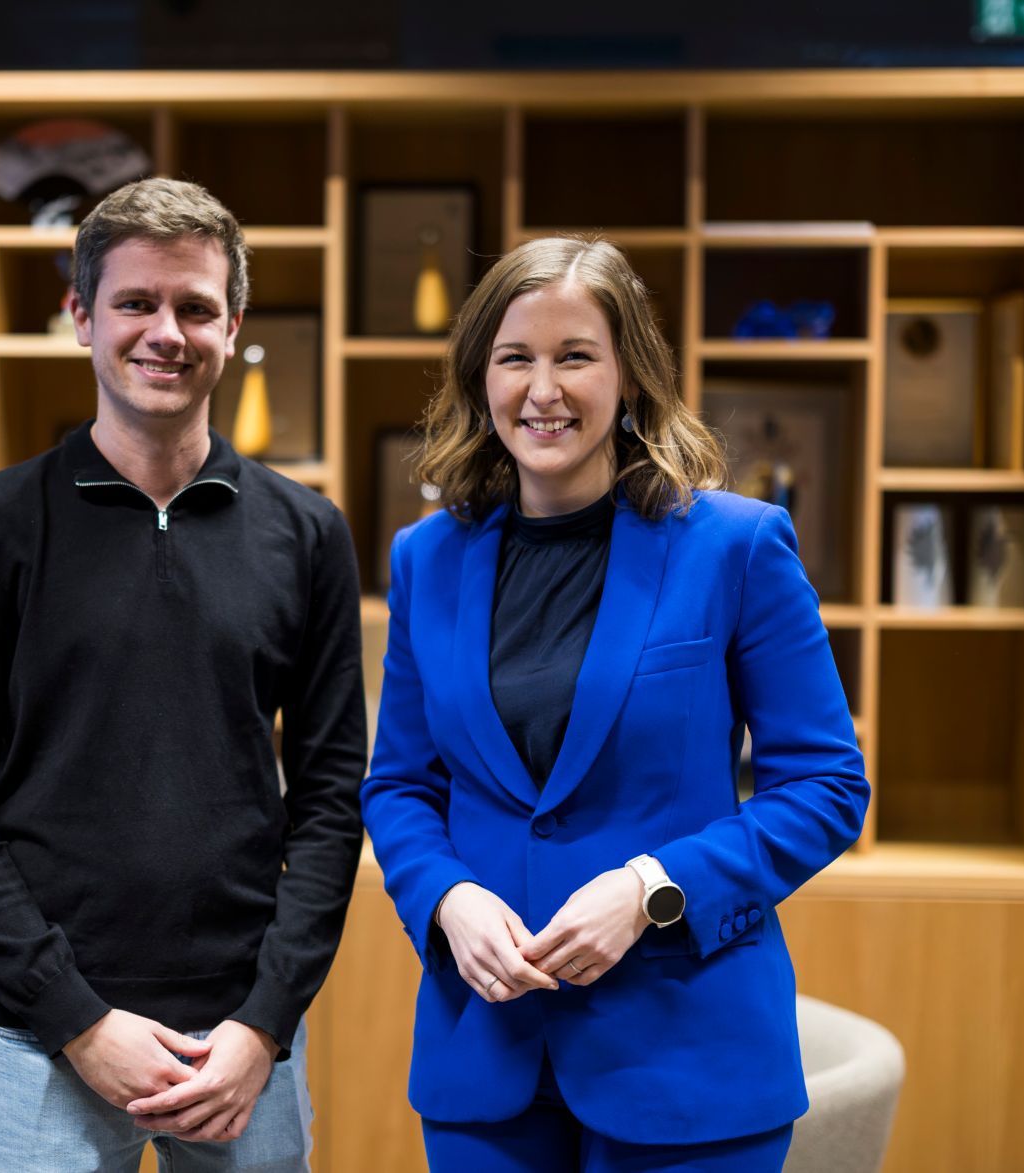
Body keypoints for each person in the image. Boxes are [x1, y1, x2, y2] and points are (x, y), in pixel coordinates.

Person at [360, 236, 870, 1173]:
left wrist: (650, 891)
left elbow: (827, 785)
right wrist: (447, 899)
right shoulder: (424, 558)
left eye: (575, 356)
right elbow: (398, 785)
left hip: (688, 1062)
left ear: (630, 375)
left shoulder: (736, 547)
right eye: (515, 358)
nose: (542, 389)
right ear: (480, 379)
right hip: (488, 1061)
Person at [0, 177, 367, 1173]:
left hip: (240, 1043)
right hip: (47, 1037)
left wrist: (266, 1022)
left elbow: (330, 801)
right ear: (80, 317)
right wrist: (74, 1019)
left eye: (195, 307)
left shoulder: (307, 534)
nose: (167, 331)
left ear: (232, 324)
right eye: (135, 303)